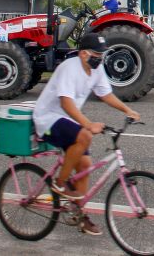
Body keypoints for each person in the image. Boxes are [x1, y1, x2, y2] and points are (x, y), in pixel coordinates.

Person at [32, 33, 140, 236]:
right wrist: (88, 124)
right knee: (85, 135)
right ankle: (59, 183)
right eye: (97, 54)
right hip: (48, 119)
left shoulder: (96, 70)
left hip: (68, 122)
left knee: (85, 166)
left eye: (102, 53)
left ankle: (78, 214)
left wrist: (127, 110)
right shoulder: (69, 68)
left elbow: (105, 94)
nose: (100, 57)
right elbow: (66, 103)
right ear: (83, 54)